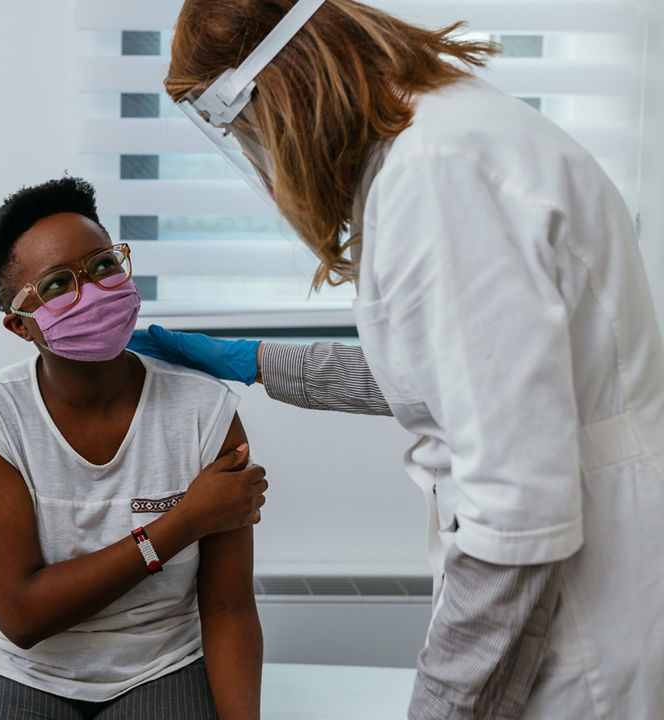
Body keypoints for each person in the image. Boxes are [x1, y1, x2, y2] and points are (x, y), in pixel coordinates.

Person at [128, 1, 664, 718]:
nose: (263, 155)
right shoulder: (451, 128)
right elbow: (462, 375)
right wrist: (257, 360)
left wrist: (440, 708)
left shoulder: (435, 176)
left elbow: (517, 514)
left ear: (280, 91)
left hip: (588, 609)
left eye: (247, 130)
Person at [0, 177, 267, 720]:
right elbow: (23, 616)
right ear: (20, 325)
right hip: (10, 665)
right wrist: (183, 521)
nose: (94, 290)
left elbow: (227, 606)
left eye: (104, 265)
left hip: (160, 665)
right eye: (58, 284)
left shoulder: (205, 410)